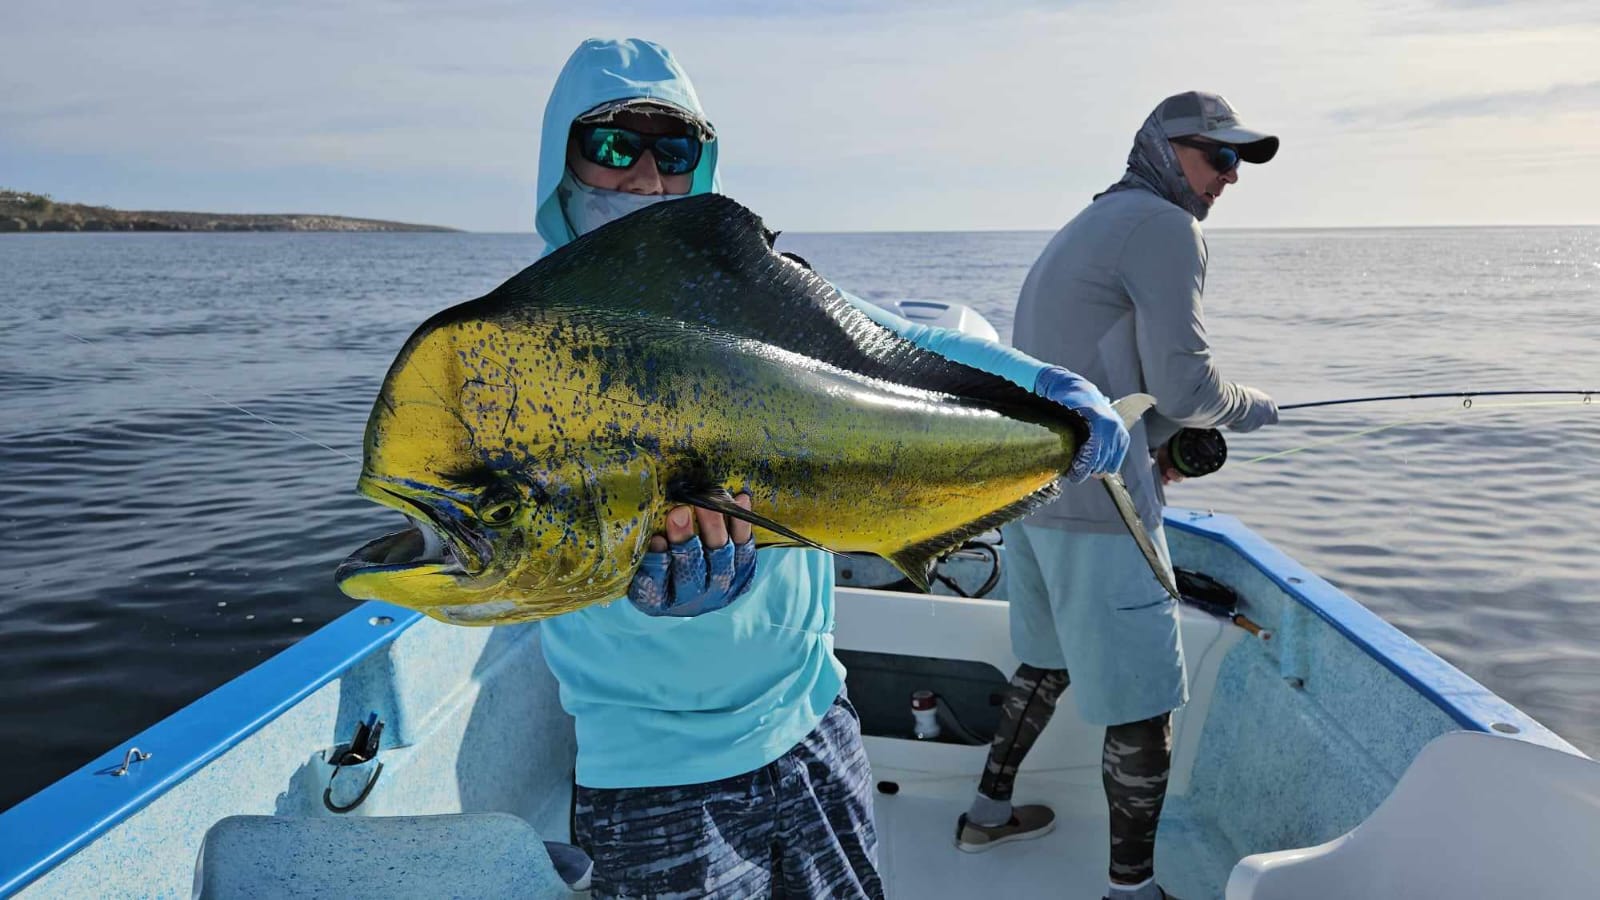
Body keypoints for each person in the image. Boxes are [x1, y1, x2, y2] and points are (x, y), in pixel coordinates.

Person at [531, 37, 1134, 899]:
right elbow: (527, 538)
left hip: (816, 721)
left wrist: (1041, 385)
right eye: (614, 147)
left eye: (674, 152)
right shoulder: (527, 344)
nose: (646, 177)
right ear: (561, 159)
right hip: (653, 773)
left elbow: (905, 346)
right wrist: (630, 590)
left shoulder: (757, 288)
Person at [953, 92, 1282, 900]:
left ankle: (985, 813)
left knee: (1047, 661)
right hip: (1105, 509)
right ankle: (1131, 892)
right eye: (1219, 157)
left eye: (1240, 163)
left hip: (1032, 491)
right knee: (1143, 704)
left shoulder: (1093, 222)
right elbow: (1187, 381)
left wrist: (1161, 440)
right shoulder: (1169, 227)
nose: (1230, 178)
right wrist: (1254, 408)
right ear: (1167, 151)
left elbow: (1102, 367)